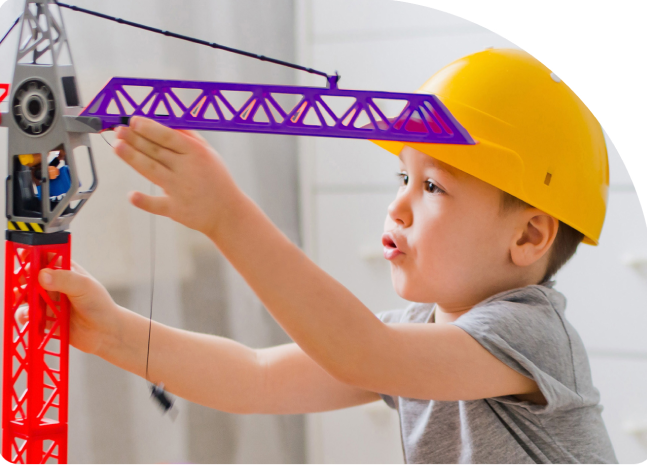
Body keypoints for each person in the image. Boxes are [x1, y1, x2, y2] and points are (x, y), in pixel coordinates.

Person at [20, 48, 617, 464]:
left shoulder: (532, 333)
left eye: (431, 188)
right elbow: (254, 379)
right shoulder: (410, 344)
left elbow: (359, 351)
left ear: (530, 237)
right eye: (401, 178)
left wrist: (228, 217)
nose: (398, 208)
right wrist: (116, 335)